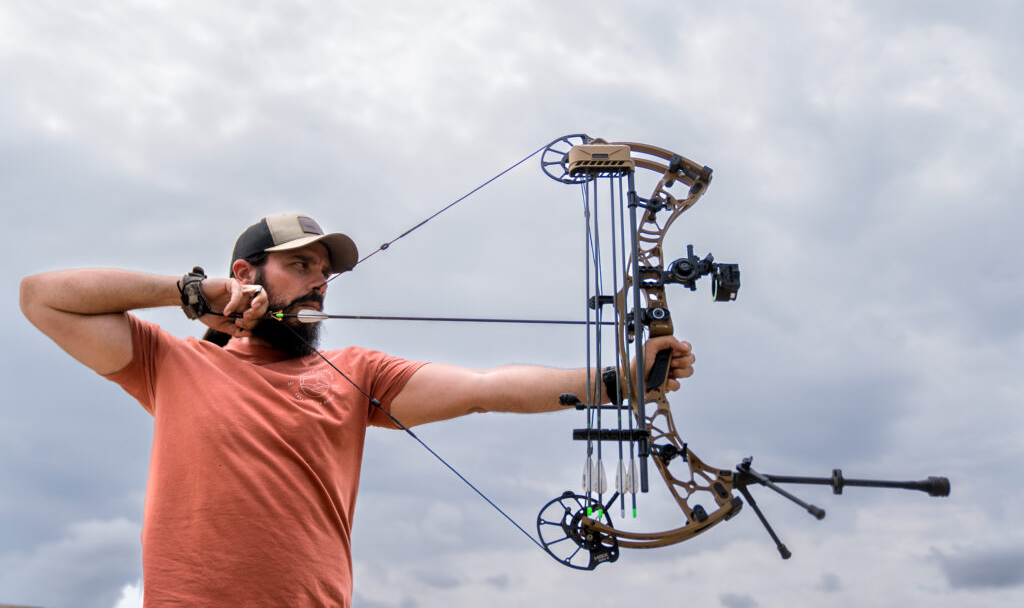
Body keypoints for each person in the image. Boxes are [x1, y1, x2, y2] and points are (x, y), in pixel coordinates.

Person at [19, 213, 695, 607]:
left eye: (325, 272)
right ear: (248, 273)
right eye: (304, 264)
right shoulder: (171, 363)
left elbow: (487, 385)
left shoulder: (355, 373)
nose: (320, 280)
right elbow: (40, 296)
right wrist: (193, 292)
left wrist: (618, 381)